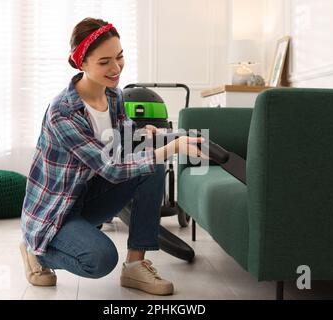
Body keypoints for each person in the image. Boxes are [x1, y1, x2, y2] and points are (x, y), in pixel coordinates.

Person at [19, 17, 203, 296]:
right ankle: (36, 251)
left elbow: (122, 137)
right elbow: (113, 168)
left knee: (150, 166)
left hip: (88, 196)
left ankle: (135, 267)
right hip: (56, 212)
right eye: (104, 62)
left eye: (119, 57)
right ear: (82, 63)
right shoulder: (63, 113)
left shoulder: (114, 96)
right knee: (100, 259)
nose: (116, 68)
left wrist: (143, 134)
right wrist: (171, 147)